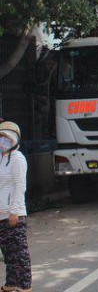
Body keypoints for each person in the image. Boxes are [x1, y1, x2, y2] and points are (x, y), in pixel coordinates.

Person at [0, 122, 31, 292]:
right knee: (8, 253)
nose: (3, 141)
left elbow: (20, 186)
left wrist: (14, 212)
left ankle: (25, 286)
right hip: (1, 213)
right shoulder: (1, 158)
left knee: (20, 252)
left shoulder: (18, 158)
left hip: (13, 213)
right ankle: (11, 284)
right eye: (1, 137)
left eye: (6, 137)